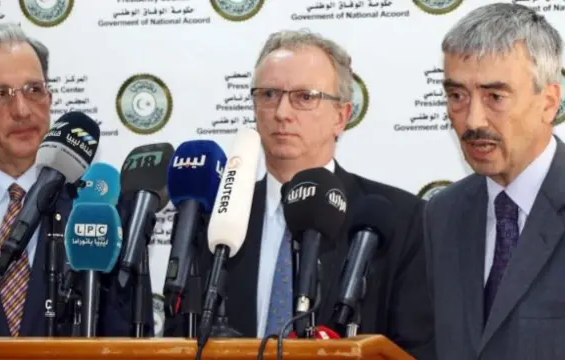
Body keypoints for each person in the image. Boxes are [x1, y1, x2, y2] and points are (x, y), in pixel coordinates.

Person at [168, 29, 435, 359]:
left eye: (304, 97)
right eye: (268, 94)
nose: (281, 112)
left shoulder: (400, 220)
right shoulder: (213, 219)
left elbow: (416, 348)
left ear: (342, 116)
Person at [0, 23, 131, 337]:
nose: (22, 110)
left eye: (34, 90)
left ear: (49, 99)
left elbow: (123, 340)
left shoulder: (102, 206)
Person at [424, 3, 564, 359]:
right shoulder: (439, 214)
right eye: (457, 96)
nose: (472, 120)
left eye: (495, 97)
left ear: (548, 102)